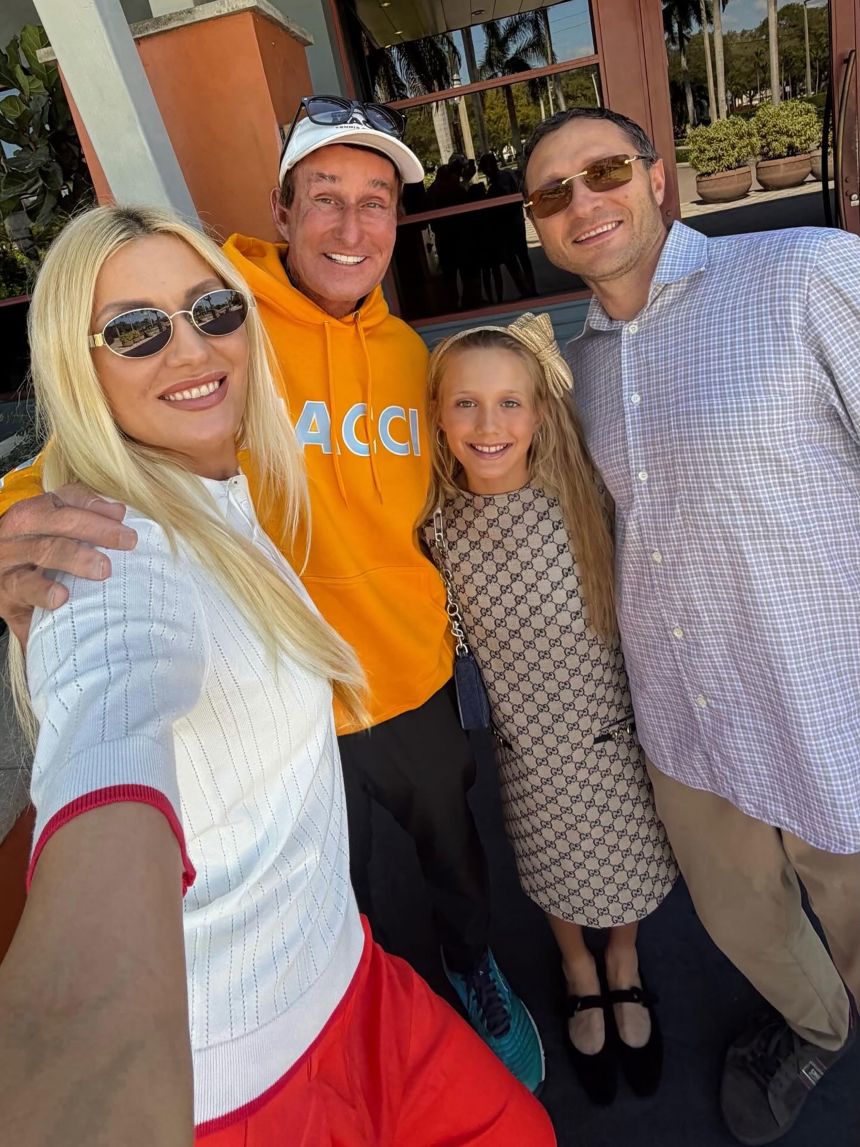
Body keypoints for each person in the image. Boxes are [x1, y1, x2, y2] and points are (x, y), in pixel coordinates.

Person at [0, 96, 545, 1092]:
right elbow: (88, 437)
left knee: (455, 866)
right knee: (320, 896)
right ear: (281, 216)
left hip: (407, 674)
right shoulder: (222, 318)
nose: (350, 227)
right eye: (324, 198)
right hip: (273, 692)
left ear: (395, 221)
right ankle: (345, 1039)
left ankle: (473, 971)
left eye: (375, 202)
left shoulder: (404, 356)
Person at [522, 104, 860, 1145]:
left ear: (656, 178)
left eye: (604, 170)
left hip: (822, 690)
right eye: (551, 192)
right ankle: (815, 1028)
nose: (582, 201)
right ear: (535, 224)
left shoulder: (804, 270)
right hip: (682, 713)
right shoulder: (570, 372)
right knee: (738, 914)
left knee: (850, 904)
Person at [419, 311, 676, 1104]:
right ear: (436, 415)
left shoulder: (585, 497)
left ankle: (624, 962)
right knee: (550, 854)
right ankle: (575, 964)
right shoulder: (430, 522)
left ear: (539, 412)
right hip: (527, 743)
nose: (489, 425)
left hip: (613, 727)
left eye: (509, 403)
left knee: (631, 855)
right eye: (465, 404)